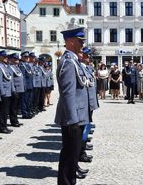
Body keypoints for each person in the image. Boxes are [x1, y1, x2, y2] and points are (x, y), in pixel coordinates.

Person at [55, 27, 90, 185]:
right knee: (69, 155)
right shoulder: (68, 62)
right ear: (70, 42)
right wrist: (72, 120)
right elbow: (68, 93)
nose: (82, 43)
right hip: (73, 118)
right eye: (79, 41)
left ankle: (70, 181)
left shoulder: (74, 60)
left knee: (72, 154)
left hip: (78, 115)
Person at [0, 50, 14, 134]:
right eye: (4, 57)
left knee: (5, 111)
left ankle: (4, 125)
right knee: (2, 111)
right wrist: (2, 92)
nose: (6, 58)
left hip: (8, 91)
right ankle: (2, 127)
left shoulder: (5, 66)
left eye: (6, 57)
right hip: (4, 92)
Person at [8, 53, 24, 127]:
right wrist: (13, 90)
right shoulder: (10, 67)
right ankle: (13, 121)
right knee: (13, 107)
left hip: (19, 89)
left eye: (17, 59)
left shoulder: (16, 67)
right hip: (15, 89)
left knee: (17, 106)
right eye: (15, 59)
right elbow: (11, 80)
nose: (17, 60)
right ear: (11, 59)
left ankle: (16, 119)